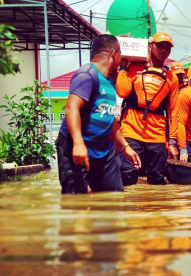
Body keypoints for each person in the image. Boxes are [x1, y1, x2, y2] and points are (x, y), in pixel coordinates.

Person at [56, 34, 141, 194]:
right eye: (120, 54)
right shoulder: (87, 74)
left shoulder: (108, 82)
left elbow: (109, 120)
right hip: (75, 145)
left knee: (114, 197)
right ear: (114, 54)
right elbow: (71, 108)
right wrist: (78, 143)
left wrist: (126, 146)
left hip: (102, 148)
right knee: (76, 201)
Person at [116, 32, 179, 185]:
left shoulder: (172, 77)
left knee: (157, 179)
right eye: (159, 46)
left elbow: (173, 112)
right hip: (131, 128)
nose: (163, 50)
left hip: (156, 132)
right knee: (127, 176)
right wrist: (123, 65)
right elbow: (122, 91)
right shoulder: (134, 68)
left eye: (167, 48)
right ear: (150, 47)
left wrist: (172, 142)